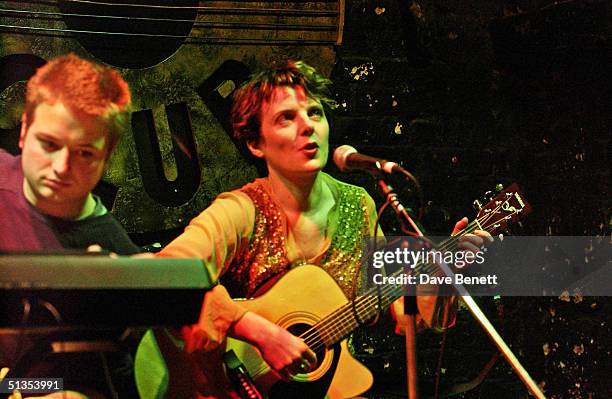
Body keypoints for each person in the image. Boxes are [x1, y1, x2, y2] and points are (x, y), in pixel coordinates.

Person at [139, 60, 489, 398]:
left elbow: (396, 312)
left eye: (314, 113)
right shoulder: (242, 210)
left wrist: (444, 275)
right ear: (255, 143)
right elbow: (166, 274)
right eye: (285, 118)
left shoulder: (360, 204)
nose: (307, 126)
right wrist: (259, 332)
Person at [0, 53, 140, 398]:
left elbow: (89, 383)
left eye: (84, 153)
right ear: (23, 132)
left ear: (106, 158)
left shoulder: (115, 255)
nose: (62, 167)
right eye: (49, 144)